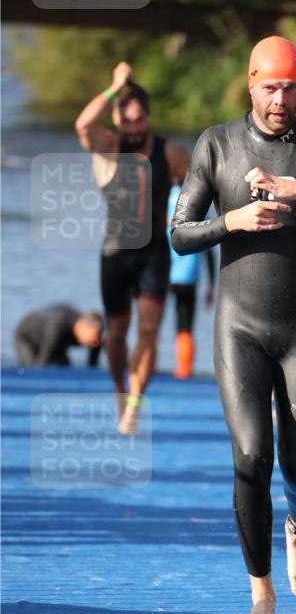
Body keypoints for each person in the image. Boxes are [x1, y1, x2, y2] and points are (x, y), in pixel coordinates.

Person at [171, 35, 296, 614]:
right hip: (240, 328)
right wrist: (230, 221)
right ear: (250, 84)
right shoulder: (218, 144)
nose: (279, 99)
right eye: (269, 87)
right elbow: (179, 234)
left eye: (289, 88)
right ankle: (261, 595)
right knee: (252, 455)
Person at [74, 63, 190, 432]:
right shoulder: (108, 148)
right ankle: (121, 389)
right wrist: (114, 87)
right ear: (116, 120)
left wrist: (185, 223)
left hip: (154, 253)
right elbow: (82, 125)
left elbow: (195, 191)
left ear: (149, 117)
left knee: (149, 332)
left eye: (139, 120)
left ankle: (136, 403)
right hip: (115, 254)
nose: (134, 128)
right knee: (118, 335)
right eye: (126, 121)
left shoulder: (171, 153)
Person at [166, 185, 216, 379]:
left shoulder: (164, 196)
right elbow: (209, 246)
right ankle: (184, 369)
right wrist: (212, 284)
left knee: (153, 320)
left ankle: (150, 364)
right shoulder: (200, 200)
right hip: (189, 275)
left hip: (163, 271)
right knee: (185, 323)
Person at [14, 305, 103, 367]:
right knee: (32, 367)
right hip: (26, 337)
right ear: (82, 326)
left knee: (65, 365)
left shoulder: (94, 338)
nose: (96, 342)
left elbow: (92, 366)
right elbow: (42, 362)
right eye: (94, 336)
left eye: (99, 337)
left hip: (56, 342)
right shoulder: (58, 326)